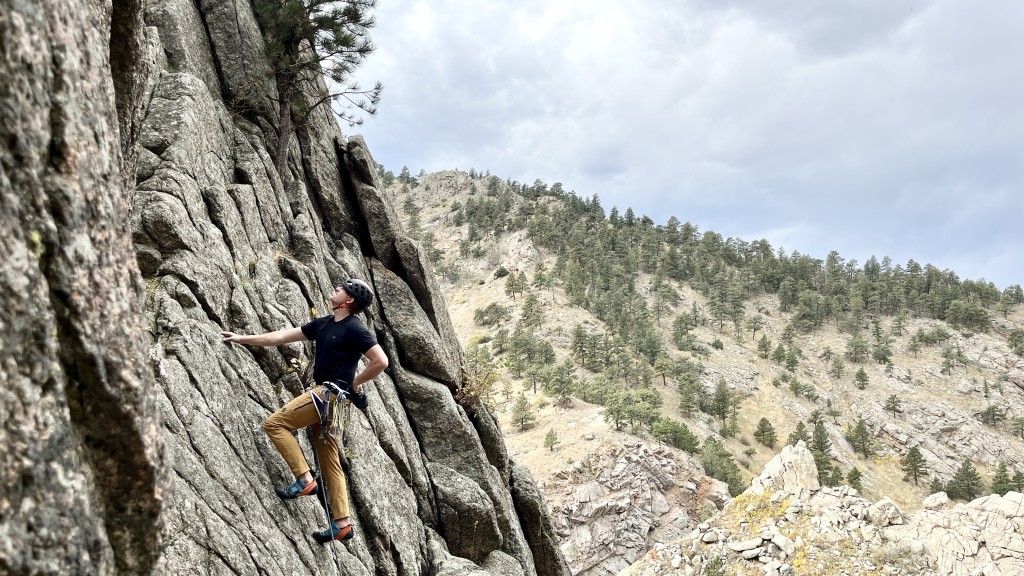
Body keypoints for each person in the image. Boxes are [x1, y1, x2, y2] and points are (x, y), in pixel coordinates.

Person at [221, 278, 388, 543]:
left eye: (341, 289)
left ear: (349, 300)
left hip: (328, 395)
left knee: (275, 424)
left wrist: (356, 383)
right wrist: (242, 338)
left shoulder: (355, 328)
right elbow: (280, 337)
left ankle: (305, 479)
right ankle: (342, 523)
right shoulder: (323, 324)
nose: (335, 289)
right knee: (330, 460)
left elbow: (380, 361)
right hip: (336, 404)